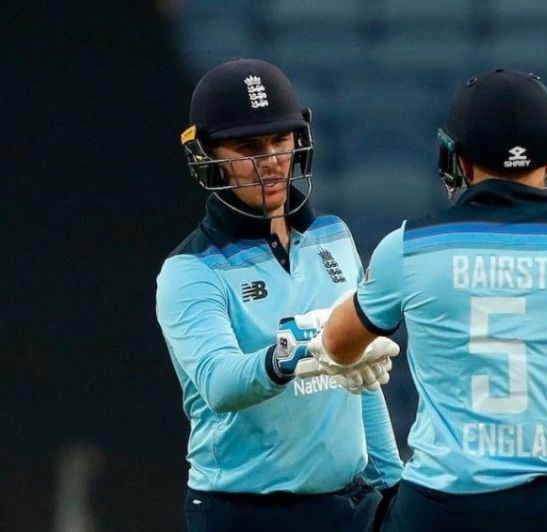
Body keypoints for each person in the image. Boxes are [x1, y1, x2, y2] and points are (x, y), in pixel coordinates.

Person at [297, 69, 547, 531]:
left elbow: (339, 344)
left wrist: (343, 337)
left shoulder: (408, 247)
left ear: (457, 160)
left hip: (444, 509)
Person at [155, 58, 402, 532]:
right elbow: (220, 383)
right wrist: (303, 348)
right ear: (208, 155)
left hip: (350, 505)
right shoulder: (188, 271)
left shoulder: (333, 237)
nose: (269, 159)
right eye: (247, 146)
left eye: (279, 140)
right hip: (244, 511)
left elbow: (359, 381)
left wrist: (393, 484)